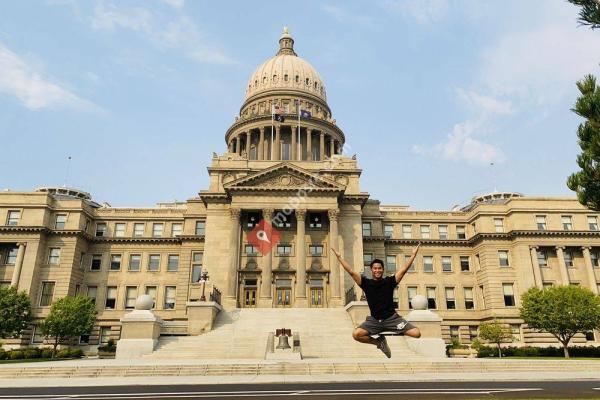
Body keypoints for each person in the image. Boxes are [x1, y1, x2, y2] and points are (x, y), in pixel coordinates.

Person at [331, 244, 421, 358]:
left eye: (379, 268)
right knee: (356, 334)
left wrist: (413, 256)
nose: (377, 270)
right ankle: (380, 343)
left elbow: (403, 271)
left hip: (392, 319)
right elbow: (351, 272)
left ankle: (396, 330)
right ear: (371, 270)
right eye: (375, 268)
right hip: (374, 321)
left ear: (383, 269)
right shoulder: (366, 283)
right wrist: (339, 258)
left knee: (416, 333)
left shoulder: (389, 282)